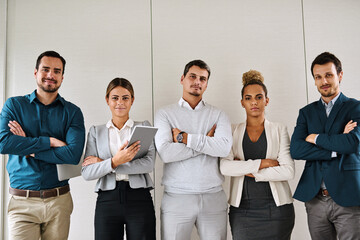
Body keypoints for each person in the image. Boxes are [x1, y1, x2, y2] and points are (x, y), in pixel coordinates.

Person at [0, 50, 85, 240]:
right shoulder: (14, 106)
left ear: (62, 77)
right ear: (35, 72)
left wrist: (29, 149)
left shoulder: (72, 112)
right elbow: (3, 142)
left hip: (59, 202)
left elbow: (72, 155)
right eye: (45, 69)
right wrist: (50, 142)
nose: (50, 75)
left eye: (56, 71)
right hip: (22, 202)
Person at [154, 59, 232, 240]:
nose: (197, 82)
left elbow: (223, 148)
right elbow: (166, 153)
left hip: (213, 196)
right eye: (193, 76)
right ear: (182, 79)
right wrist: (206, 143)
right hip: (176, 197)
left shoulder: (218, 114)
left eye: (202, 79)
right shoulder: (165, 113)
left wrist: (184, 138)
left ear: (206, 84)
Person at [290, 52, 360, 240]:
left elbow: (352, 143)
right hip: (315, 198)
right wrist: (337, 145)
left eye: (329, 75)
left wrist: (315, 138)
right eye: (318, 77)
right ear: (314, 80)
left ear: (340, 75)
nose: (324, 81)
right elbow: (296, 150)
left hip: (348, 196)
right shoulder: (306, 113)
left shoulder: (355, 108)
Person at [220, 70, 295, 240]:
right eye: (248, 98)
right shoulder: (232, 131)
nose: (254, 102)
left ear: (266, 100)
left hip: (278, 210)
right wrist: (263, 163)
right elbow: (225, 166)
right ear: (242, 102)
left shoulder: (279, 129)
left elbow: (288, 171)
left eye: (259, 97)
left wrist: (244, 169)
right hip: (242, 212)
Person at [81, 78, 156, 240]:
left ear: (132, 100)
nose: (120, 102)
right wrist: (114, 161)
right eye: (115, 98)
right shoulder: (96, 131)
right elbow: (87, 172)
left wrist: (105, 163)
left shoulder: (144, 126)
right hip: (107, 199)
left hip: (139, 198)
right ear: (107, 100)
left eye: (125, 98)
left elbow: (148, 164)